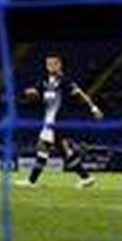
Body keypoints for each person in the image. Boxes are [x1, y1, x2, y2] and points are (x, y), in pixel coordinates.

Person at [23, 52, 103, 189]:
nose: (50, 66)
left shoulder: (65, 81)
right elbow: (34, 93)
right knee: (64, 151)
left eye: (54, 63)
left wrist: (93, 108)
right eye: (48, 64)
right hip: (49, 120)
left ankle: (31, 181)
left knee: (43, 146)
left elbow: (81, 95)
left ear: (59, 65)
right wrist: (30, 93)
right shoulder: (44, 82)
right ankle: (86, 178)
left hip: (58, 121)